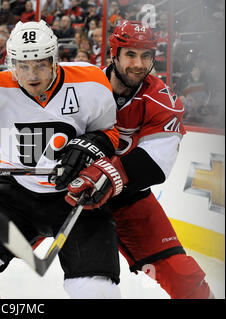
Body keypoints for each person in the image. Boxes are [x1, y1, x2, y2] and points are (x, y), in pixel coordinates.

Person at [0, 20, 122, 299]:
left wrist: (92, 143)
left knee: (97, 292)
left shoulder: (90, 82)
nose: (32, 75)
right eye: (23, 65)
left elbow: (110, 132)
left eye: (40, 64)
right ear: (11, 63)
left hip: (78, 198)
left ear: (54, 60)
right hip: (14, 194)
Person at [65, 20, 214, 299]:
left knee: (184, 279)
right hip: (71, 194)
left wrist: (107, 172)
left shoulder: (161, 99)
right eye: (130, 54)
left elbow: (155, 165)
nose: (139, 64)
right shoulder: (81, 86)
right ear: (113, 54)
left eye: (146, 56)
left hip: (128, 197)